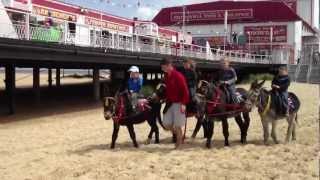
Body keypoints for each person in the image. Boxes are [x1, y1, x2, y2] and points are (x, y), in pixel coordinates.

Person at [161, 58, 189, 149]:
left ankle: (178, 144)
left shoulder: (178, 76)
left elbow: (185, 91)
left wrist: (184, 104)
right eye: (162, 68)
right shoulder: (166, 76)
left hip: (179, 103)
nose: (162, 69)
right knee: (166, 124)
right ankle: (177, 134)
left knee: (178, 125)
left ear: (169, 65)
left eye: (164, 67)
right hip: (169, 103)